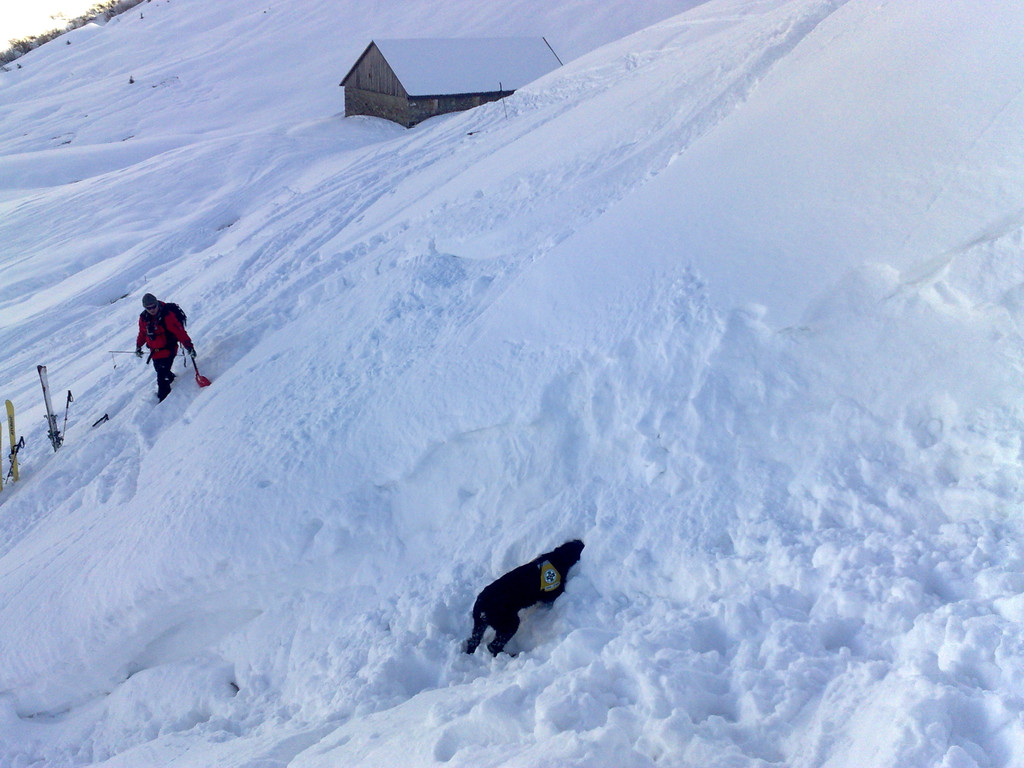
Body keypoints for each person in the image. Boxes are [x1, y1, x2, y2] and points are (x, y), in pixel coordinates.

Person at [464, 539, 584, 656]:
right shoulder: (554, 572)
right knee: (510, 624)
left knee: (484, 617)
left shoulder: (545, 563)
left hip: (483, 599)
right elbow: (549, 595)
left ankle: (473, 644)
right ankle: (495, 646)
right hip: (497, 606)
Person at [135, 293, 196, 401]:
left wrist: (189, 346)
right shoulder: (143, 318)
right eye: (148, 308)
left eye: (154, 306)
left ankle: (163, 399)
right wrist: (138, 346)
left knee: (161, 378)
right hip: (155, 352)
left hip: (168, 350)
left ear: (157, 303)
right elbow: (142, 333)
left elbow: (179, 332)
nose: (152, 309)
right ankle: (171, 378)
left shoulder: (167, 315)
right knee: (161, 370)